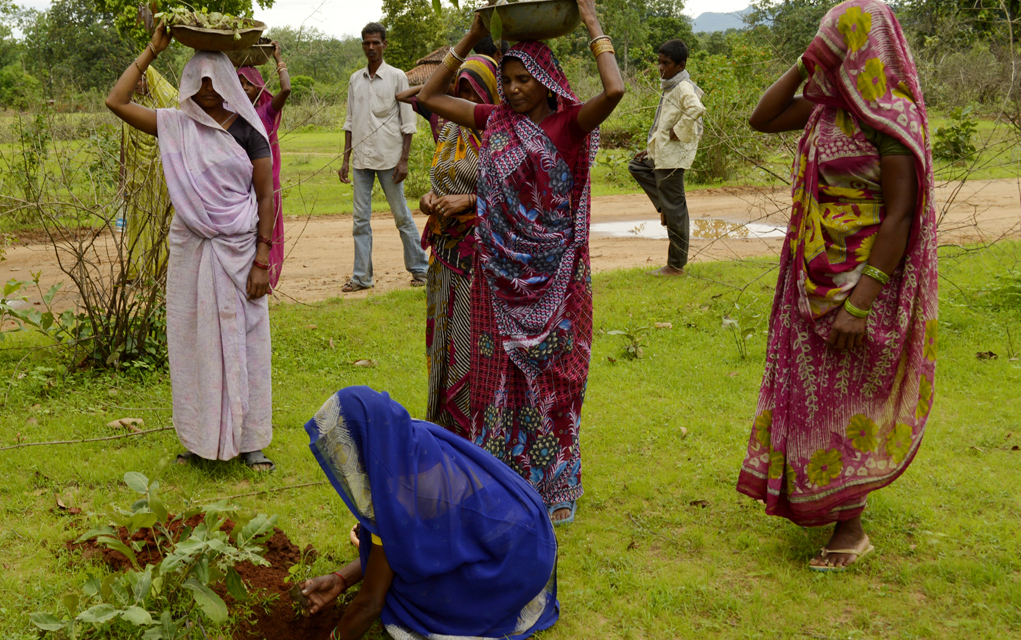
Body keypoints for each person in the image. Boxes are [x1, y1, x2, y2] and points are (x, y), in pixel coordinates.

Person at [738, 0, 937, 570]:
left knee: (849, 396)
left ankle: (851, 527)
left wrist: (862, 301)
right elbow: (760, 117)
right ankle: (816, 497)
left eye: (835, 44)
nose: (829, 55)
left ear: (864, 51)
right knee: (813, 391)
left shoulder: (892, 118)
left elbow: (900, 215)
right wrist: (805, 63)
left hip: (865, 283)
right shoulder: (825, 110)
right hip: (810, 277)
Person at [418, 0, 625, 524]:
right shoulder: (494, 123)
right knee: (497, 379)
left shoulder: (568, 126)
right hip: (496, 277)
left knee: (555, 381)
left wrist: (593, 22)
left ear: (545, 80)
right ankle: (505, 479)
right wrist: (469, 36)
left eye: (522, 80)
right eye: (506, 79)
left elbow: (616, 91)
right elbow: (429, 95)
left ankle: (554, 485)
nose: (511, 89)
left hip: (556, 279)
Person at [106, 26, 276, 472]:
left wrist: (263, 259)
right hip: (192, 250)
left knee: (247, 343)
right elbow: (116, 102)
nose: (205, 92)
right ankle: (199, 439)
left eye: (212, 82)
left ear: (227, 83)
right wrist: (152, 50)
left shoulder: (249, 133)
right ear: (185, 85)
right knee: (192, 341)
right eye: (196, 83)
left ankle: (251, 440)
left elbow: (266, 197)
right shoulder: (175, 126)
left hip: (241, 253)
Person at [298, 386, 559, 640]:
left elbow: (371, 603)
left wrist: (336, 636)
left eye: (345, 450)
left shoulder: (398, 492)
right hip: (530, 534)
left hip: (516, 564)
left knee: (404, 596)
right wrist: (340, 579)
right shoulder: (411, 440)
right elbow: (391, 549)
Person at [416, 55, 499, 434]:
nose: (467, 98)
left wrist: (469, 201)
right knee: (445, 338)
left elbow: (515, 195)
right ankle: (446, 423)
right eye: (461, 89)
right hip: (445, 253)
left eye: (474, 89)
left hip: (478, 254)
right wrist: (429, 199)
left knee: (471, 339)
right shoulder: (449, 130)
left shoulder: (499, 133)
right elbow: (440, 178)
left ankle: (474, 422)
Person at [338, 22, 430, 292]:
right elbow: (350, 122)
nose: (371, 47)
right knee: (360, 220)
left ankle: (420, 270)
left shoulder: (397, 76)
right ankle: (362, 277)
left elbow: (408, 123)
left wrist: (404, 160)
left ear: (384, 45)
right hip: (361, 162)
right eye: (366, 43)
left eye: (376, 42)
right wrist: (346, 159)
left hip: (390, 159)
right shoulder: (355, 79)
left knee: (401, 215)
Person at [628, 39, 704, 277]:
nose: (661, 67)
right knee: (637, 166)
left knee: (677, 209)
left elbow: (696, 108)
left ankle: (675, 265)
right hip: (662, 154)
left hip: (673, 158)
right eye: (660, 62)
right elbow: (662, 123)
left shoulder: (682, 86)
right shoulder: (670, 86)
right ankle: (665, 206)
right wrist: (651, 149)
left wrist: (678, 130)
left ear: (680, 65)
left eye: (667, 63)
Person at [238, 40, 291, 288]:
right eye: (239, 84)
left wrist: (278, 60)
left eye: (249, 83)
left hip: (265, 187)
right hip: (240, 187)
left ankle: (263, 277)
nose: (245, 88)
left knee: (264, 234)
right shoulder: (231, 117)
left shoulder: (266, 112)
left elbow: (286, 90)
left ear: (258, 85)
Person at [120, 66, 177, 281]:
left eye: (142, 79)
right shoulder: (129, 108)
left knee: (164, 220)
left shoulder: (168, 106)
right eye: (135, 80)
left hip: (164, 176)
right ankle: (140, 269)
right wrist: (123, 177)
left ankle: (164, 269)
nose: (137, 84)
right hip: (138, 176)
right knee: (140, 218)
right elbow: (124, 144)